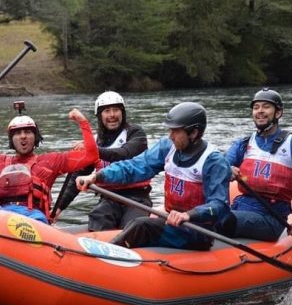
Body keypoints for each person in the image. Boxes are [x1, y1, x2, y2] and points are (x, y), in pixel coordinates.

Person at [77, 102, 230, 250]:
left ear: (194, 132)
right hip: (171, 220)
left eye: (175, 131)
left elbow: (219, 205)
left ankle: (104, 261)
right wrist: (98, 176)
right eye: (170, 130)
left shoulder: (214, 161)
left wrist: (189, 215)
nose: (170, 136)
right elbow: (135, 166)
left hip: (196, 230)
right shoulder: (168, 147)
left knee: (141, 225)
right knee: (123, 221)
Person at [0, 106, 99, 224]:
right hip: (1, 216)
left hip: (34, 217)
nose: (23, 136)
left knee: (32, 225)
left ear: (36, 137)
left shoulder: (51, 161)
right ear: (11, 139)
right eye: (18, 133)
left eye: (28, 132)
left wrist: (83, 122)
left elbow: (91, 156)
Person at [220, 87, 292, 241]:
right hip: (240, 208)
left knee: (221, 219)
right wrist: (226, 169)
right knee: (209, 214)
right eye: (256, 107)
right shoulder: (243, 144)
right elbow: (219, 169)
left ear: (278, 113)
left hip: (271, 218)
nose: (260, 111)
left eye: (266, 106)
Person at [54, 91, 152, 231]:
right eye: (107, 111)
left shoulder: (136, 134)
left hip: (137, 199)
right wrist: (59, 208)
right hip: (108, 199)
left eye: (116, 110)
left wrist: (92, 150)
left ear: (122, 113)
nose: (112, 115)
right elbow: (75, 179)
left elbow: (124, 154)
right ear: (100, 116)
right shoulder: (94, 141)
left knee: (132, 228)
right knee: (98, 217)